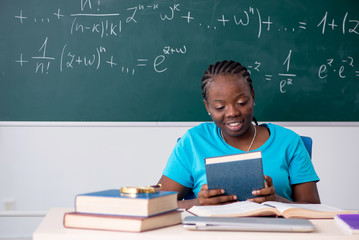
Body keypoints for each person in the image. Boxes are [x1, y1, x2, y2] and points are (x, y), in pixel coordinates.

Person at [158, 60, 320, 209]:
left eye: (241, 103)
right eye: (220, 107)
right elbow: (157, 204)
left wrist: (276, 200)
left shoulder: (288, 141)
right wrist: (198, 203)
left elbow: (314, 208)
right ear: (207, 107)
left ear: (253, 96)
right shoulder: (194, 141)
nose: (232, 113)